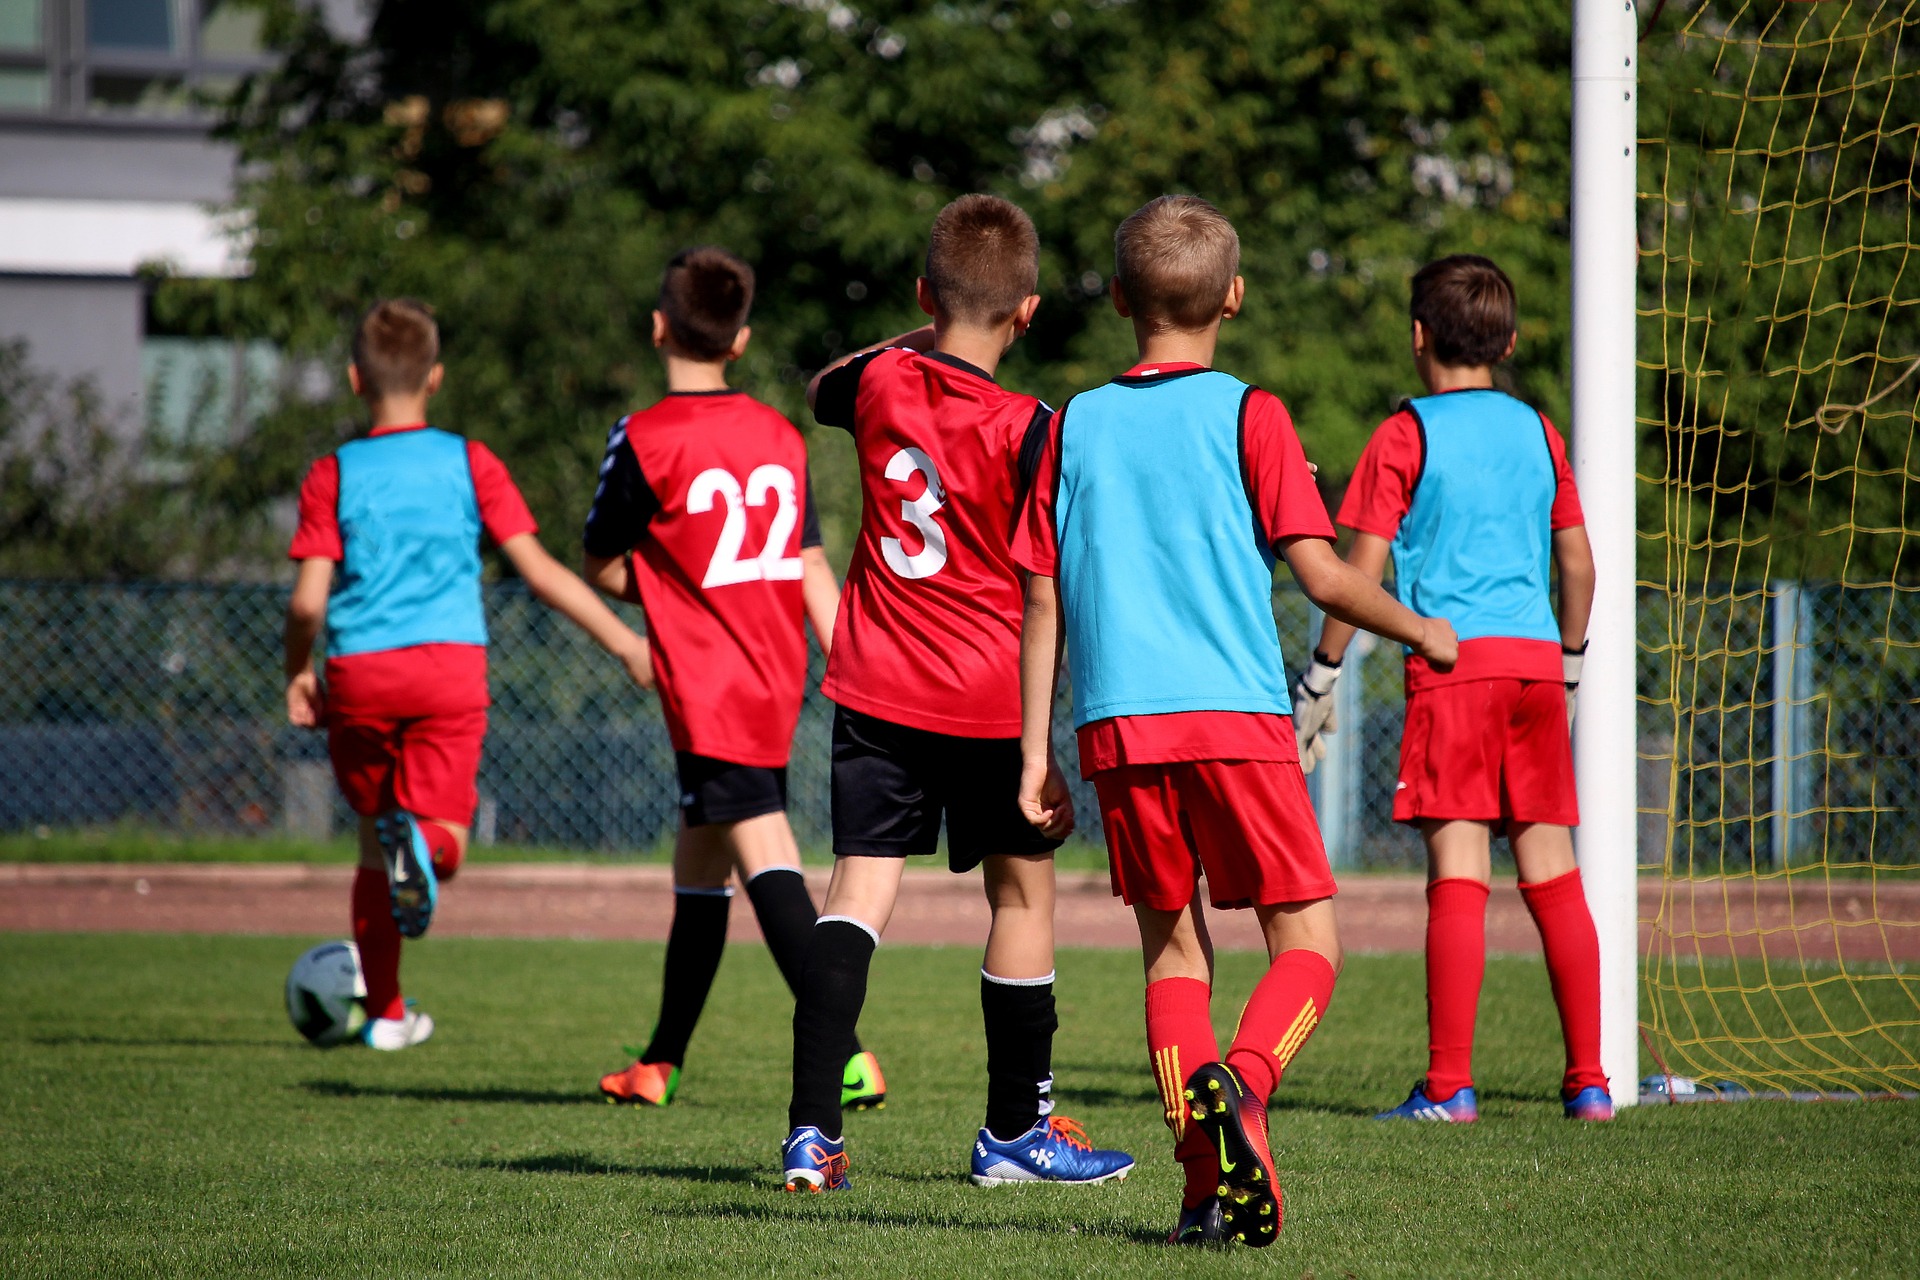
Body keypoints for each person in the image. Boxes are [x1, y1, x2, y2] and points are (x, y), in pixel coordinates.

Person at [1013, 196, 1458, 1246]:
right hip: (1235, 716)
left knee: (1174, 953)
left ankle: (1202, 1193)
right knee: (1306, 941)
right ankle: (1247, 1085)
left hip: (1115, 727)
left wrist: (1034, 752)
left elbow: (1039, 596)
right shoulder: (1250, 412)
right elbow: (1323, 576)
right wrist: (1422, 629)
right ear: (1236, 297)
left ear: (1119, 299)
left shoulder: (1071, 420)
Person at [780, 194, 1133, 1193]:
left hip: (875, 677)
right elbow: (1039, 589)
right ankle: (1014, 1132)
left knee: (857, 892)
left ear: (923, 295)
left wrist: (925, 323)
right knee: (1021, 892)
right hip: (986, 695)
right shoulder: (1035, 426)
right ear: (1028, 314)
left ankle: (812, 1130)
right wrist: (1038, 749)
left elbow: (821, 385)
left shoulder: (882, 377)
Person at [1293, 253, 1611, 1125]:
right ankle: (1589, 1083)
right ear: (1508, 342)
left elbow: (1356, 571)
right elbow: (1578, 562)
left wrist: (1321, 675)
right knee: (1555, 873)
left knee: (1458, 870)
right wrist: (1571, 664)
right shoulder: (1540, 430)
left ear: (1417, 337)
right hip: (1540, 666)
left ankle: (1448, 1088)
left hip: (1453, 669)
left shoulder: (1405, 434)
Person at [284, 298, 653, 1050]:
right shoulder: (469, 461)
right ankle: (431, 854)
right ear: (436, 378)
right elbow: (539, 570)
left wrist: (297, 670)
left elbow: (308, 600)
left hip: (359, 671)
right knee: (437, 841)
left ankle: (386, 1016)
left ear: (356, 379)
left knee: (373, 846)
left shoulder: (335, 472)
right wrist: (624, 640)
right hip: (449, 666)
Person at [581, 247, 885, 1111]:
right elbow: (808, 566)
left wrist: (674, 591)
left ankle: (851, 1055)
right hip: (771, 675)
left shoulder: (642, 437)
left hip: (706, 684)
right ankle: (660, 1062)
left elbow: (601, 563)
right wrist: (850, 662)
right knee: (701, 866)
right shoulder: (781, 436)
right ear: (742, 340)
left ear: (657, 326)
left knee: (765, 859)